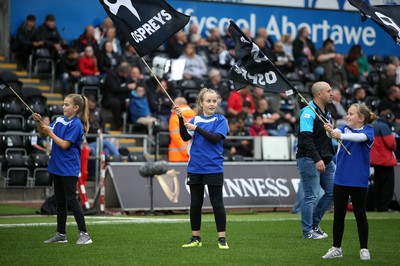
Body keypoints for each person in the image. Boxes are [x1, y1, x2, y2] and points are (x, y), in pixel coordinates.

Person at [32, 94, 92, 245]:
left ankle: (84, 234)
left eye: (66, 104)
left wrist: (51, 133)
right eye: (63, 104)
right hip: (57, 166)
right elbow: (42, 133)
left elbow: (65, 145)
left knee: (71, 200)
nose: (63, 107)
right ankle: (61, 234)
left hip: (69, 167)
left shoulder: (76, 124)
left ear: (75, 108)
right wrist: (39, 123)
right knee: (59, 201)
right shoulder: (59, 120)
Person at [322, 103, 376, 260]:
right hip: (341, 179)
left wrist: (340, 136)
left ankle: (364, 249)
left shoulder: (368, 131)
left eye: (351, 114)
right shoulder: (343, 129)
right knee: (338, 215)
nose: (347, 116)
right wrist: (330, 131)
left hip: (358, 180)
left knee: (360, 214)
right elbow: (333, 134)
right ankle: (336, 248)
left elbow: (359, 138)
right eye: (347, 113)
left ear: (361, 118)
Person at [177, 88, 229, 249]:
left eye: (214, 101)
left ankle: (222, 239)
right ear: (201, 103)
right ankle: (195, 238)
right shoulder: (194, 120)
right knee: (195, 204)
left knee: (217, 203)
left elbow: (215, 139)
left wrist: (197, 129)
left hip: (214, 167)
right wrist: (181, 120)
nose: (212, 104)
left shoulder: (221, 120)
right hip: (195, 168)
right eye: (208, 101)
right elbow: (185, 136)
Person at [296, 81, 335, 239]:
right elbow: (306, 139)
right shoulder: (308, 111)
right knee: (311, 196)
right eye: (329, 90)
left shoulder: (327, 111)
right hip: (309, 159)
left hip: (327, 158)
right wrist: (316, 158)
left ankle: (314, 224)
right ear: (319, 94)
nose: (332, 93)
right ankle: (307, 231)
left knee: (332, 192)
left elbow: (325, 136)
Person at [370, 110, 397, 212]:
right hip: (385, 161)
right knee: (387, 185)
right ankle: (384, 207)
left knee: (377, 184)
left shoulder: (373, 125)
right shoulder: (384, 127)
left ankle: (376, 205)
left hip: (375, 161)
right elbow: (391, 144)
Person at [168, 97, 196, 162]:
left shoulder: (175, 116)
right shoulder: (195, 116)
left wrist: (186, 151)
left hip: (178, 156)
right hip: (193, 155)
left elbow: (176, 137)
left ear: (176, 105)